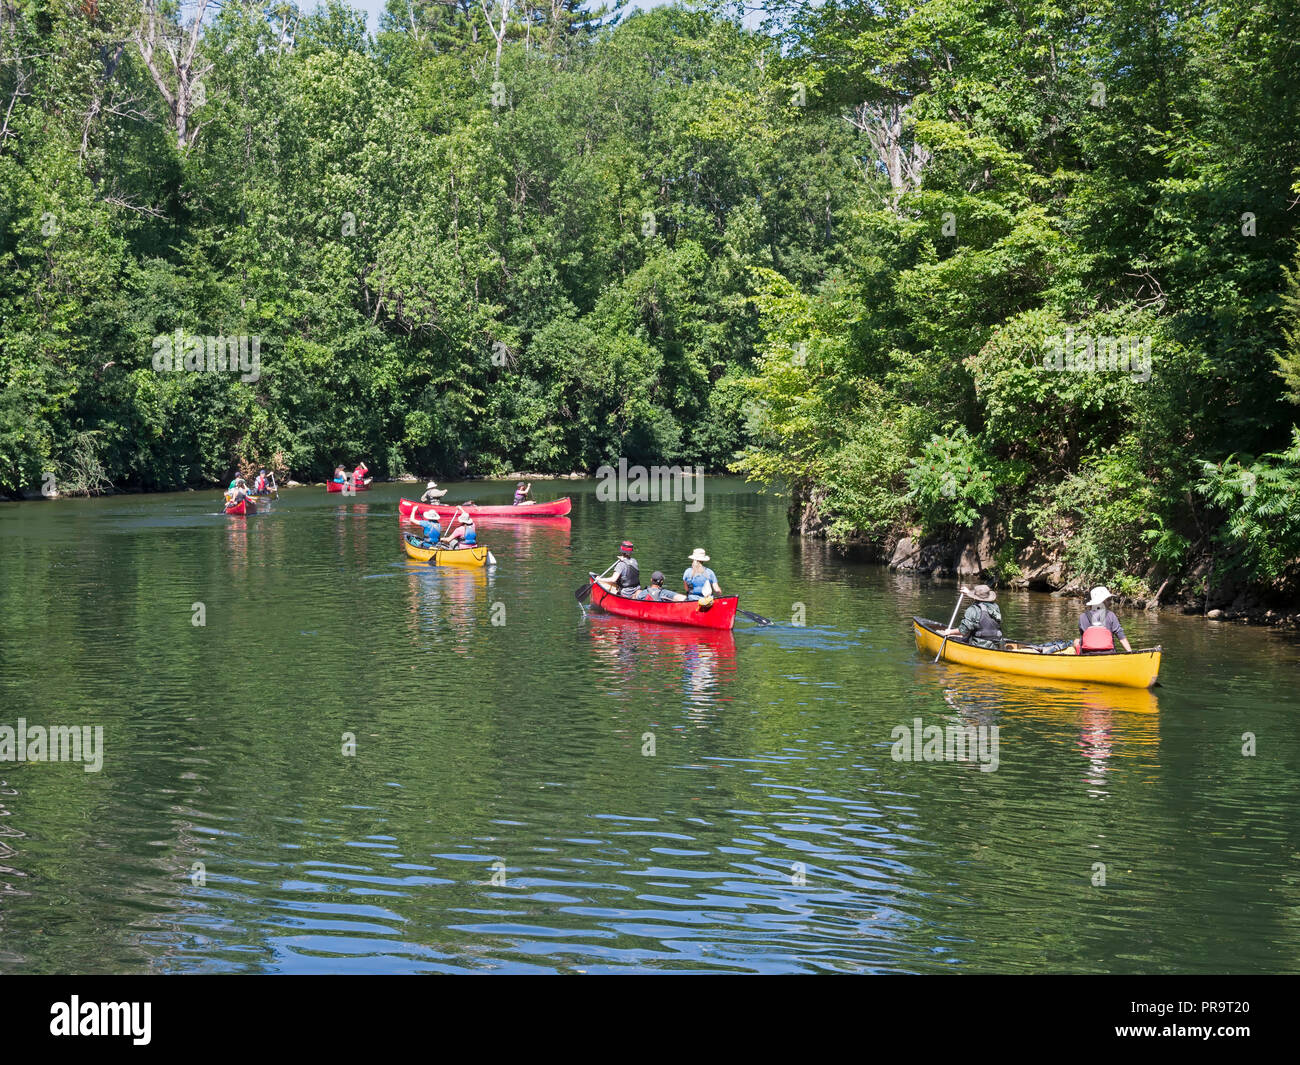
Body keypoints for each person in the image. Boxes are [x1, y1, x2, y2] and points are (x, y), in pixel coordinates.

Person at [941, 584, 1003, 649]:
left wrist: (949, 632)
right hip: (997, 644)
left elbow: (963, 631)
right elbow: (982, 605)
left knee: (962, 636)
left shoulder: (972, 610)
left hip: (980, 645)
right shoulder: (995, 607)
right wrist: (968, 593)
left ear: (975, 597)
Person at [1074, 586, 1133, 654]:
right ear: (1102, 602)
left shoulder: (1082, 616)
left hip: (1087, 654)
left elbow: (1083, 639)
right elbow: (1121, 638)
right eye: (1108, 600)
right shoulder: (1111, 615)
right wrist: (1130, 652)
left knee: (1076, 641)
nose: (1110, 602)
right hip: (1109, 653)